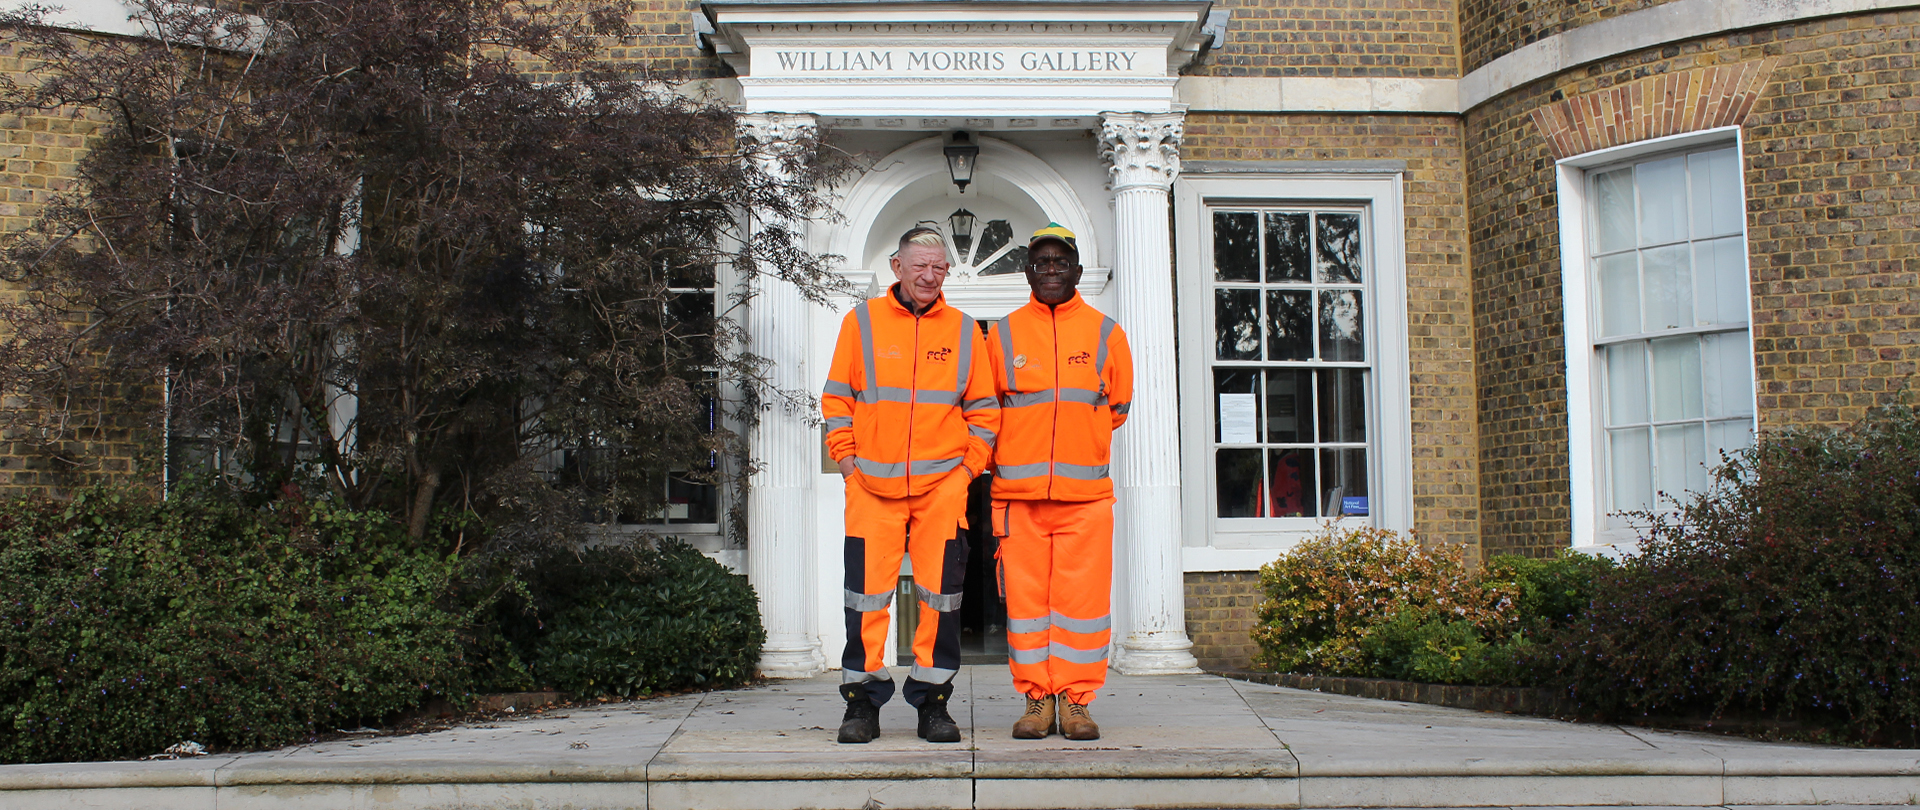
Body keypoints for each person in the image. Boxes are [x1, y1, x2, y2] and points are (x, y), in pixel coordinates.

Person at [821, 226, 999, 744]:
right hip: (871, 488)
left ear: (948, 272)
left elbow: (985, 413)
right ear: (895, 267)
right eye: (919, 265)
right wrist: (848, 464)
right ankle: (862, 704)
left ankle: (932, 703)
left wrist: (965, 473)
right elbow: (836, 400)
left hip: (941, 489)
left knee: (941, 599)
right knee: (865, 598)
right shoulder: (861, 323)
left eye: (939, 267)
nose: (929, 275)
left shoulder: (967, 332)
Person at [985, 223, 1132, 741]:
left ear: (1077, 270)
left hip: (1085, 500)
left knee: (1082, 606)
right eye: (1041, 261)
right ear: (1027, 270)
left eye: (1059, 261)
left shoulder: (1107, 334)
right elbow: (986, 409)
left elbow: (1116, 409)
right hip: (1018, 501)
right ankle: (1036, 698)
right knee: (1027, 608)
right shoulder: (1000, 335)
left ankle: (1075, 700)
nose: (1050, 269)